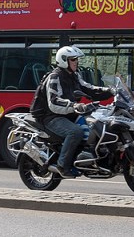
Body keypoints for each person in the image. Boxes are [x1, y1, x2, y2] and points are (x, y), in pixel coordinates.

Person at [29, 46, 114, 179]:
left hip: (67, 114)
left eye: (76, 59)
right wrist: (74, 105)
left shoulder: (75, 76)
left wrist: (111, 91)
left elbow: (89, 89)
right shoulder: (54, 77)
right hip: (50, 117)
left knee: (95, 124)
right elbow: (54, 102)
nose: (76, 62)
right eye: (73, 59)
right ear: (64, 60)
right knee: (75, 132)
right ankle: (62, 165)